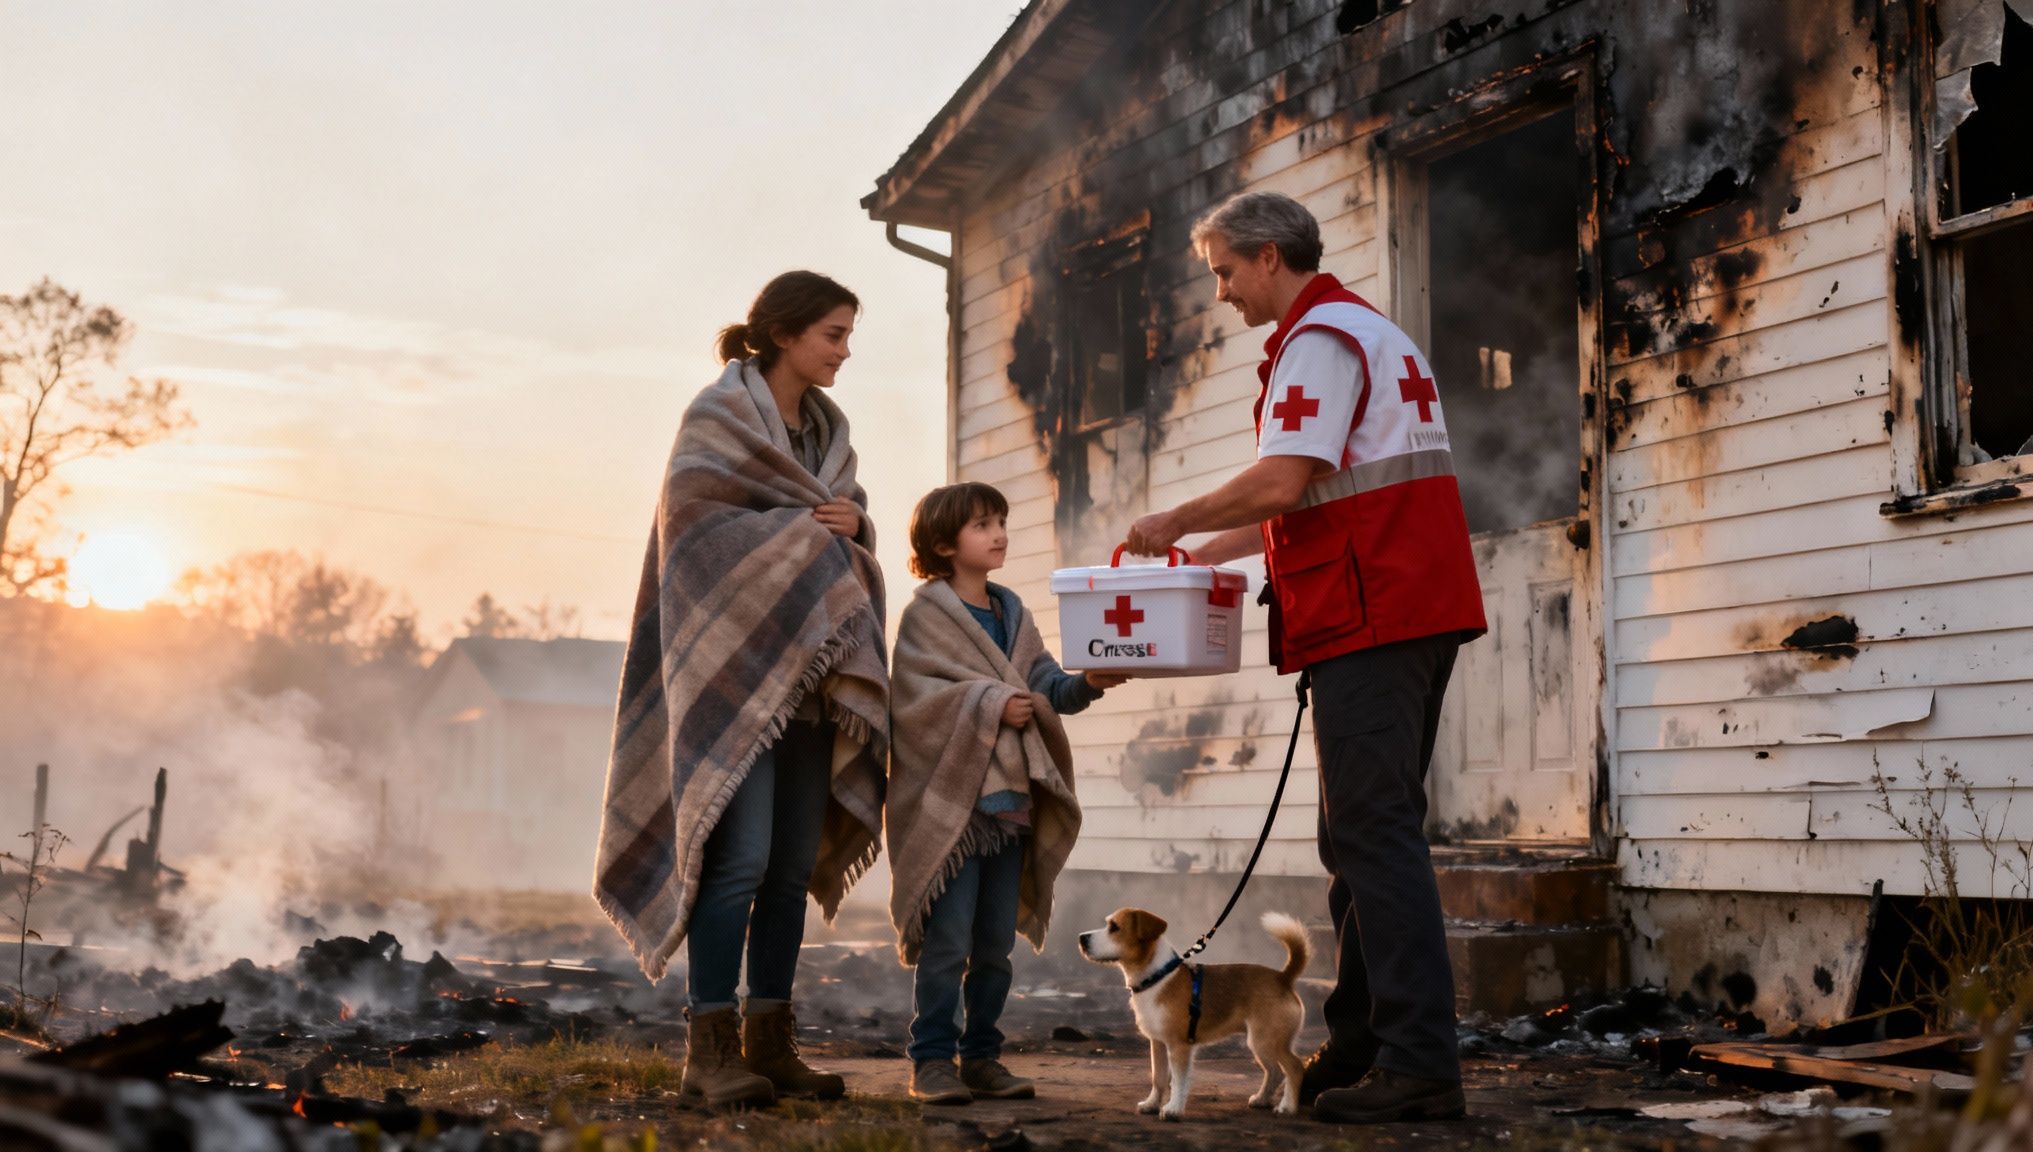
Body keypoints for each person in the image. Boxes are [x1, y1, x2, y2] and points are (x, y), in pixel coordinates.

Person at [1122, 191, 1487, 1125]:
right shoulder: (1365, 333)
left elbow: (1285, 475)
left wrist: (1173, 520)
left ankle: (1418, 1065)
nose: (1223, 292)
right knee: (1356, 836)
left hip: (1375, 612)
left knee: (1375, 835)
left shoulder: (1317, 339)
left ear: (1272, 256)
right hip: (1402, 605)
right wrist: (1210, 556)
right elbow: (1319, 491)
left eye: (1225, 270)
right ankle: (1363, 1044)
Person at [594, 270, 891, 1109]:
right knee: (741, 863)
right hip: (734, 680)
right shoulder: (717, 417)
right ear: (788, 333)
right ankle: (708, 1050)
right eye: (833, 334)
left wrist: (856, 527)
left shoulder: (829, 434)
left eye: (848, 335)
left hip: (814, 680)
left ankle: (772, 1041)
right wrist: (806, 530)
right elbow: (693, 539)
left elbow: (851, 526)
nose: (844, 351)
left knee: (790, 868)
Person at [885, 481, 1125, 1105]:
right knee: (948, 943)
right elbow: (914, 705)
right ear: (943, 545)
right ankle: (931, 1061)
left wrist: (1087, 682)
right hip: (957, 813)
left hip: (1011, 808)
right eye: (982, 525)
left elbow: (1043, 685)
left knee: (994, 947)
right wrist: (991, 704)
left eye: (1000, 521)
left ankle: (982, 1058)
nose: (999, 534)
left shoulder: (1012, 610)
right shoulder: (925, 616)